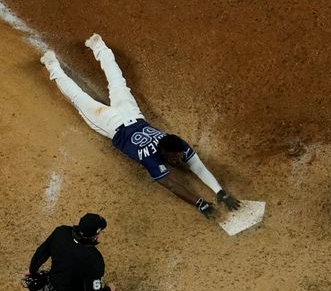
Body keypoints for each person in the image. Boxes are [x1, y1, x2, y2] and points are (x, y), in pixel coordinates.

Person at [40, 34, 241, 218]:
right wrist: (199, 203)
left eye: (179, 158)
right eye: (176, 158)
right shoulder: (151, 158)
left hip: (131, 114)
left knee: (117, 81)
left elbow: (196, 165)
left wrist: (220, 192)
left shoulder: (175, 143)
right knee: (80, 97)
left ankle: (97, 44)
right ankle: (52, 64)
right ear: (165, 153)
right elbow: (171, 184)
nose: (179, 161)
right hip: (111, 123)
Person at [28, 213, 113, 291]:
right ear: (95, 235)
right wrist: (109, 289)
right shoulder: (94, 259)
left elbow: (40, 253)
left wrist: (32, 270)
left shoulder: (61, 232)